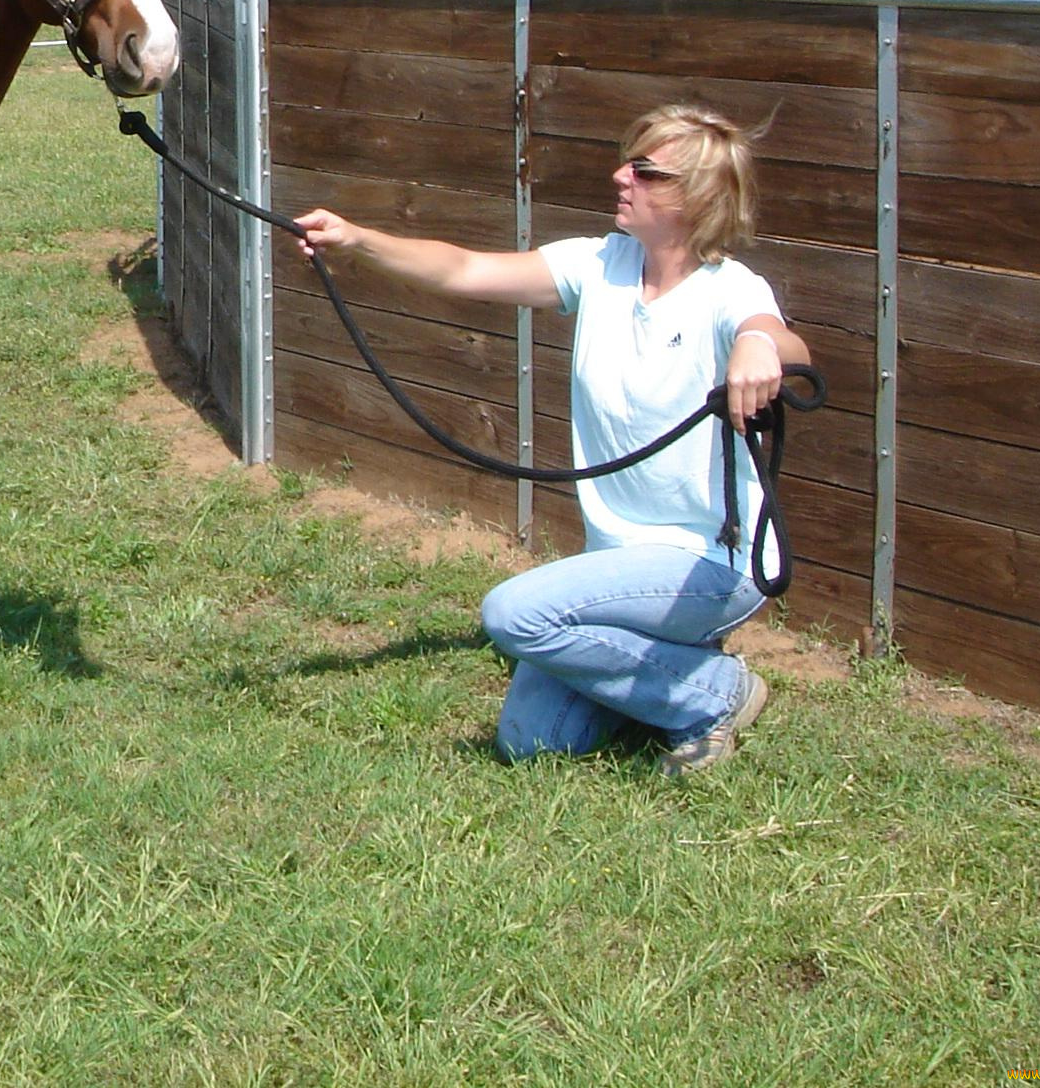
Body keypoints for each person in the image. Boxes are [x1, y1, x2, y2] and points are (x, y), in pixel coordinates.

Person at [293, 104, 811, 777]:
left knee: (512, 613)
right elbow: (462, 271)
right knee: (531, 742)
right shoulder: (599, 266)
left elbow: (777, 334)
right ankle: (663, 674)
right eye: (628, 161)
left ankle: (713, 695)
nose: (620, 175)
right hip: (620, 560)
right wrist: (358, 238)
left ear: (696, 197)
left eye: (645, 171)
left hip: (708, 567)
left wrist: (759, 348)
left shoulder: (727, 290)